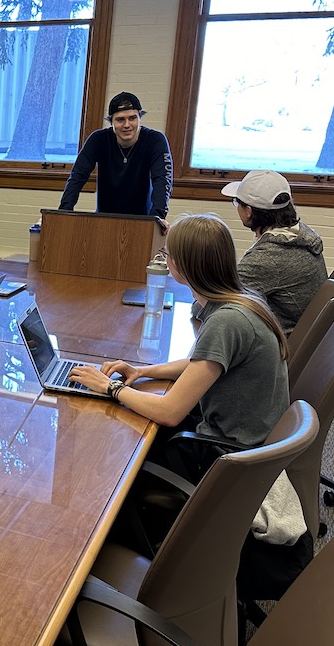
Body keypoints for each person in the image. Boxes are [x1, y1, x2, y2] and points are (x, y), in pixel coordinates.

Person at [69, 214, 289, 456]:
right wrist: (141, 371)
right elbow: (200, 364)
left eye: (165, 255)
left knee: (117, 442)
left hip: (225, 457)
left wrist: (110, 387)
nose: (164, 260)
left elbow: (169, 413)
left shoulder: (227, 321)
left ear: (180, 266)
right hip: (243, 443)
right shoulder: (243, 299)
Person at [221, 170, 327, 334]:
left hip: (276, 343)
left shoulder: (268, 257)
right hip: (297, 333)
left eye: (237, 202)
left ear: (248, 211)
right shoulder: (301, 235)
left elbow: (217, 302)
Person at [58, 92, 173, 228]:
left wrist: (158, 217)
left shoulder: (155, 140)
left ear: (139, 118)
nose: (127, 125)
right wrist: (64, 211)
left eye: (132, 118)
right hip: (104, 219)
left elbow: (162, 179)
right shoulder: (98, 139)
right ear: (111, 121)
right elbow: (78, 175)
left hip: (143, 221)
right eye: (120, 119)